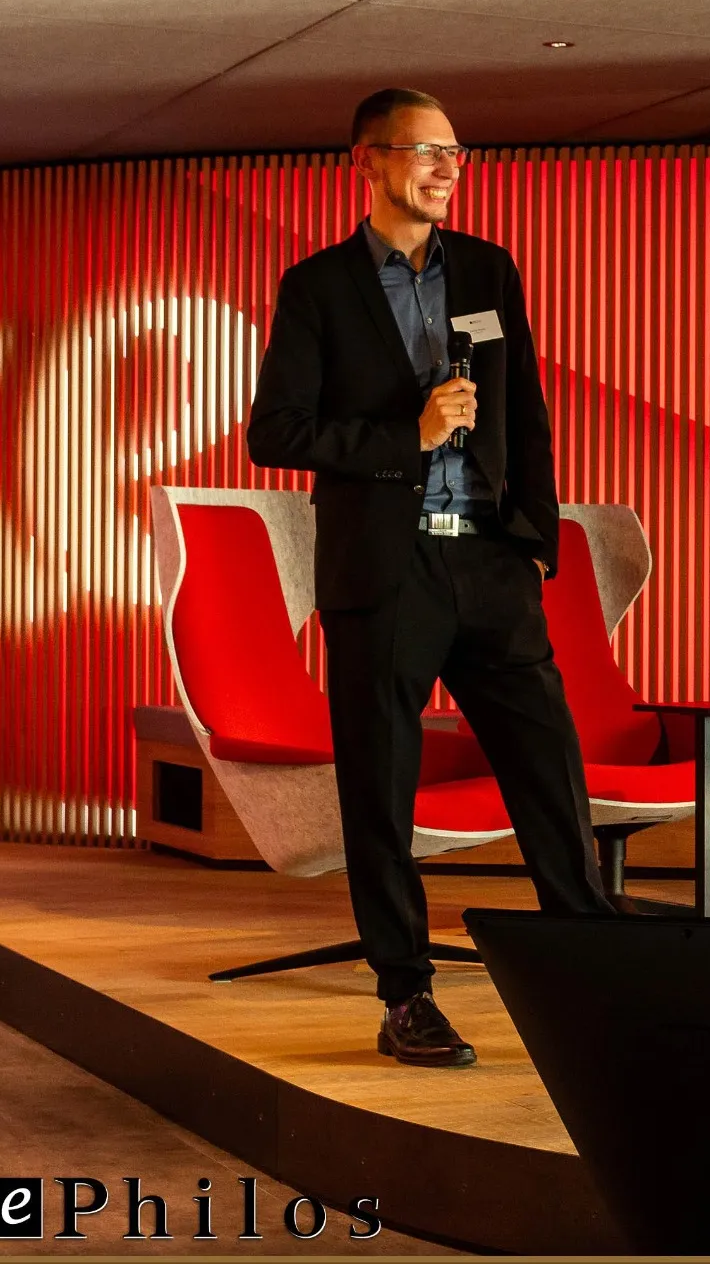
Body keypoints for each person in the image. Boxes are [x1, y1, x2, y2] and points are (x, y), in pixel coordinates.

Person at [248, 88, 616, 1068]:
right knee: (382, 786)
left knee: (548, 770)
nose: (448, 169)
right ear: (368, 160)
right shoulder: (318, 287)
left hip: (489, 560)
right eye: (426, 151)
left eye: (456, 153)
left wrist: (533, 541)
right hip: (384, 567)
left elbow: (524, 412)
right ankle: (406, 991)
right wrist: (401, 439)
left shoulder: (488, 271)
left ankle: (597, 970)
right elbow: (274, 431)